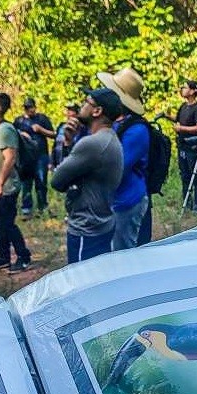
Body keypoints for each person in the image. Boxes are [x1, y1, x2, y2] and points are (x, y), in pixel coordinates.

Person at [50, 88, 125, 264]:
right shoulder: (109, 139)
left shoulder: (92, 144)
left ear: (97, 111)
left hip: (86, 229)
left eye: (86, 102)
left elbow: (57, 181)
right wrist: (69, 143)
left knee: (81, 285)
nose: (81, 106)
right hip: (100, 224)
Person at [96, 67, 153, 250]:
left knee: (123, 252)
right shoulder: (115, 124)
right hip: (113, 199)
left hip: (127, 200)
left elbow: (119, 166)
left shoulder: (137, 130)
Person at [0, 92, 33, 272]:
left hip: (6, 187)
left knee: (8, 224)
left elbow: (10, 158)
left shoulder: (5, 130)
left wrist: (0, 182)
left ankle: (24, 257)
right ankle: (3, 258)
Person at [14, 97, 55, 217]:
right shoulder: (19, 121)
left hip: (41, 156)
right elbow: (12, 134)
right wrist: (21, 134)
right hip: (25, 157)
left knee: (41, 182)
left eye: (31, 107)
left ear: (35, 107)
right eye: (27, 108)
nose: (30, 110)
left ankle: (42, 207)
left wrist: (41, 130)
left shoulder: (42, 118)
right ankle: (27, 208)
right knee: (26, 183)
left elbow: (53, 134)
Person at [175, 79, 197, 212]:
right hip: (181, 145)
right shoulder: (183, 107)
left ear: (193, 91)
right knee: (184, 174)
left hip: (192, 146)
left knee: (196, 175)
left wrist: (181, 128)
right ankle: (187, 201)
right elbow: (177, 120)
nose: (183, 89)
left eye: (186, 87)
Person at [51, 102, 84, 171]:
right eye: (68, 110)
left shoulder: (81, 127)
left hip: (72, 159)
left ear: (77, 113)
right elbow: (55, 144)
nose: (68, 112)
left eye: (71, 110)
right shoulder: (61, 125)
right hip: (59, 158)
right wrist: (52, 162)